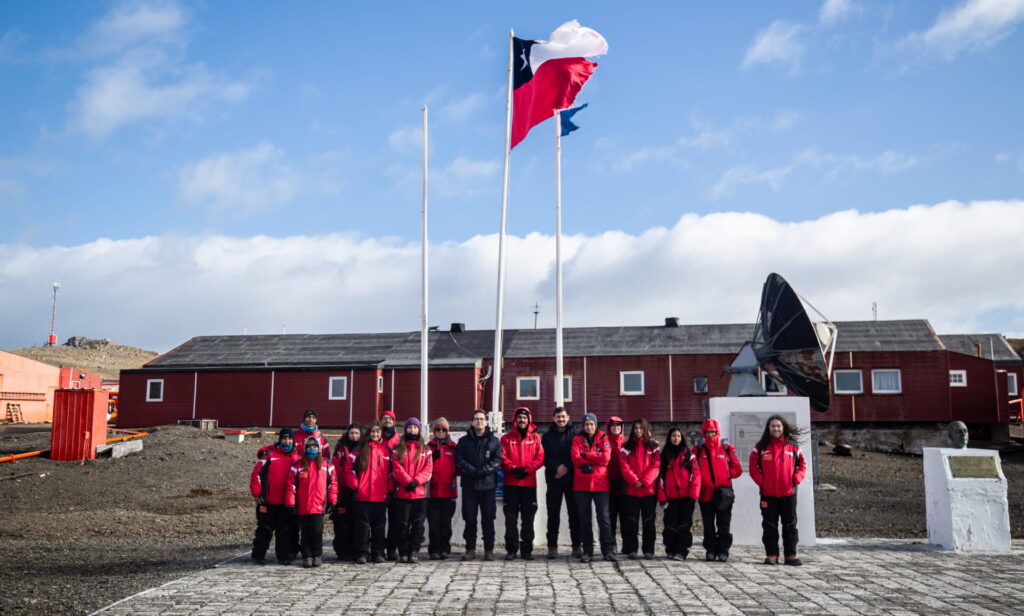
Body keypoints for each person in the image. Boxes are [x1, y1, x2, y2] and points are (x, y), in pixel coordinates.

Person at [749, 415, 807, 566]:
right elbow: (753, 467)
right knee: (769, 525)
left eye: (778, 426)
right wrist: (762, 482)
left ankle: (790, 555)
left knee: (790, 525)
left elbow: (802, 465)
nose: (776, 428)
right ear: (768, 429)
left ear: (783, 428)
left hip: (788, 493)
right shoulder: (760, 447)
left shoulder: (793, 446)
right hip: (768, 495)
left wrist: (796, 479)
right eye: (773, 426)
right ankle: (772, 555)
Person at [454, 409, 502, 561]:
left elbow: (498, 460)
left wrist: (482, 471)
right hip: (469, 486)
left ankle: (489, 550)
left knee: (488, 518)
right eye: (476, 419)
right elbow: (459, 460)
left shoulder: (494, 441)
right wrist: (473, 471)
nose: (479, 421)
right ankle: (470, 549)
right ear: (472, 422)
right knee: (470, 519)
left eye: (482, 419)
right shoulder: (463, 441)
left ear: (486, 422)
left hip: (488, 486)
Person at [250, 427, 300, 565]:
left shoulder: (297, 458)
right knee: (264, 530)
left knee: (284, 531)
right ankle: (258, 555)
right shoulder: (269, 456)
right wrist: (257, 493)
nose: (287, 441)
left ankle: (283, 556)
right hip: (268, 500)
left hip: (286, 502)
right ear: (279, 440)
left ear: (293, 441)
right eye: (284, 438)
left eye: (289, 439)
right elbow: (256, 475)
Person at [286, 436, 338, 568]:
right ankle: (307, 556)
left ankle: (317, 555)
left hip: (319, 506)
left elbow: (333, 484)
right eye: (309, 447)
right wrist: (291, 503)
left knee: (316, 531)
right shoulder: (297, 466)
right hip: (303, 506)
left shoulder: (327, 464)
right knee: (305, 532)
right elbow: (291, 486)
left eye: (315, 447)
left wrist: (332, 500)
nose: (312, 449)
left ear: (319, 448)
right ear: (305, 448)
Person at [500, 407, 545, 560]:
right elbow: (502, 457)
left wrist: (527, 470)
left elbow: (540, 458)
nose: (522, 420)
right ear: (515, 419)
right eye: (519, 417)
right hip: (511, 483)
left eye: (524, 418)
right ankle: (511, 550)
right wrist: (513, 469)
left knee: (528, 518)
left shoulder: (536, 438)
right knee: (511, 519)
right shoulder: (506, 438)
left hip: (529, 484)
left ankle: (527, 550)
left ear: (529, 420)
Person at [570, 413, 615, 563]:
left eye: (591, 424)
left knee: (604, 517)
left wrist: (586, 455)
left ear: (596, 425)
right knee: (584, 518)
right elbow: (575, 459)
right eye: (586, 424)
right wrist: (595, 455)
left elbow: (606, 458)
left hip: (600, 484)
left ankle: (607, 550)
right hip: (581, 484)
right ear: (583, 426)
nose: (589, 427)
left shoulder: (604, 439)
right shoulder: (576, 440)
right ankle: (587, 551)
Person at [346, 420, 393, 564]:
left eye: (378, 431)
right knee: (362, 527)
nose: (375, 434)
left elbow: (393, 472)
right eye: (373, 431)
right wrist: (356, 486)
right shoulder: (359, 450)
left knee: (379, 527)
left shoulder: (387, 451)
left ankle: (378, 553)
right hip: (362, 496)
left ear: (381, 433)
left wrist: (389, 488)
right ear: (369, 433)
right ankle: (362, 553)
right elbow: (349, 470)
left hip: (381, 495)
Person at [696, 418, 742, 562]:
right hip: (706, 494)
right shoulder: (698, 450)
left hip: (724, 494)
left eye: (712, 432)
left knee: (723, 524)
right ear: (704, 433)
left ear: (717, 432)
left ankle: (723, 550)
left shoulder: (727, 449)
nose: (710, 435)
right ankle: (710, 549)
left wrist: (727, 475)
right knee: (708, 525)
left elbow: (738, 469)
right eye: (707, 432)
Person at [541, 406, 582, 559]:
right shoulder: (546, 437)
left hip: (572, 479)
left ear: (568, 417)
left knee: (574, 514)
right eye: (558, 417)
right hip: (553, 478)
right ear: (554, 418)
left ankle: (577, 546)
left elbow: (578, 454)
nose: (561, 419)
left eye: (563, 416)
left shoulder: (577, 434)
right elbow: (543, 457)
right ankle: (552, 547)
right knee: (553, 514)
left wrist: (567, 468)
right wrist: (556, 468)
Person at [391, 417, 433, 563]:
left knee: (418, 525)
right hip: (403, 492)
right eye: (410, 427)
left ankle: (414, 550)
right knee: (402, 524)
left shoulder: (426, 449)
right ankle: (403, 551)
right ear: (406, 429)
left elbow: (428, 468)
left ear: (419, 430)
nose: (412, 430)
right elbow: (396, 467)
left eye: (415, 427)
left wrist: (416, 481)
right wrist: (407, 481)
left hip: (420, 493)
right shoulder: (398, 448)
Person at [619, 418, 661, 559]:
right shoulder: (626, 447)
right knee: (632, 521)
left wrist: (644, 481)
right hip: (632, 490)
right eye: (635, 428)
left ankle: (648, 549)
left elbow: (656, 465)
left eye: (640, 428)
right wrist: (635, 481)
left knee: (649, 521)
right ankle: (632, 549)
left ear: (645, 429)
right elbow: (624, 466)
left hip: (648, 490)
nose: (638, 431)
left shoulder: (653, 446)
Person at [658, 426, 700, 561]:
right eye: (673, 436)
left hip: (686, 497)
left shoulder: (689, 454)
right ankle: (670, 549)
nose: (676, 438)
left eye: (678, 436)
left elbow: (696, 475)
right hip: (670, 498)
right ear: (669, 438)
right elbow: (659, 477)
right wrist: (662, 497)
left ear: (681, 438)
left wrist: (693, 495)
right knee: (670, 525)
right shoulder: (664, 455)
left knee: (684, 525)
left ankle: (681, 551)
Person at [427, 417, 457, 560]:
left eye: (443, 429)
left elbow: (459, 468)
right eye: (438, 429)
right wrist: (433, 457)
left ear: (447, 431)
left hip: (448, 491)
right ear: (434, 431)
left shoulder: (453, 447)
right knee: (433, 524)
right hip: (432, 491)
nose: (440, 432)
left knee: (446, 523)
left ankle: (444, 549)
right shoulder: (428, 447)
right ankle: (433, 549)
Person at [331, 423, 362, 561]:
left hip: (358, 489)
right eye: (352, 433)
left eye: (356, 433)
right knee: (341, 523)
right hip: (342, 490)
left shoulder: (364, 449)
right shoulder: (340, 449)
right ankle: (342, 551)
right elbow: (334, 469)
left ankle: (357, 550)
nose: (354, 436)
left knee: (357, 522)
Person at [380, 409, 402, 561]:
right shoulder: (376, 437)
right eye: (385, 418)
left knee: (394, 519)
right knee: (380, 520)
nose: (387, 421)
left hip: (395, 484)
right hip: (379, 485)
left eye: (390, 418)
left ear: (394, 421)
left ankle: (392, 548)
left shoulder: (399, 441)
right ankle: (379, 548)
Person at [605, 416, 626, 552]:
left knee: (625, 516)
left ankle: (627, 543)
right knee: (611, 516)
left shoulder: (626, 443)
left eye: (618, 425)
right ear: (609, 427)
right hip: (609, 483)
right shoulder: (605, 442)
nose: (616, 428)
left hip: (624, 483)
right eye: (613, 425)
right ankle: (611, 543)